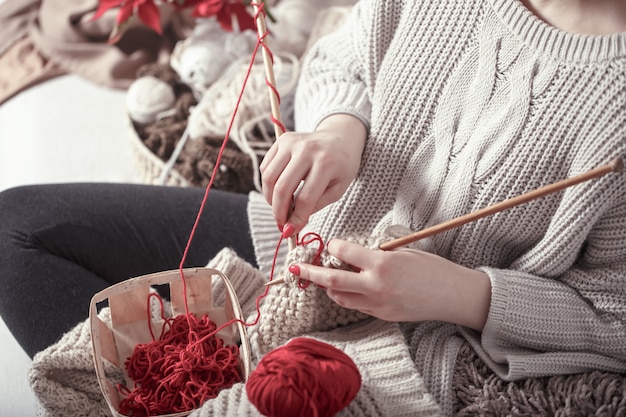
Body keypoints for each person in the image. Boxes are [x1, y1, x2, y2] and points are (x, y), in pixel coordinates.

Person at [0, 0, 625, 414]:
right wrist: (338, 131)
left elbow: (616, 317)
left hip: (425, 338)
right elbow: (342, 57)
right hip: (304, 241)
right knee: (15, 230)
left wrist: (461, 294)